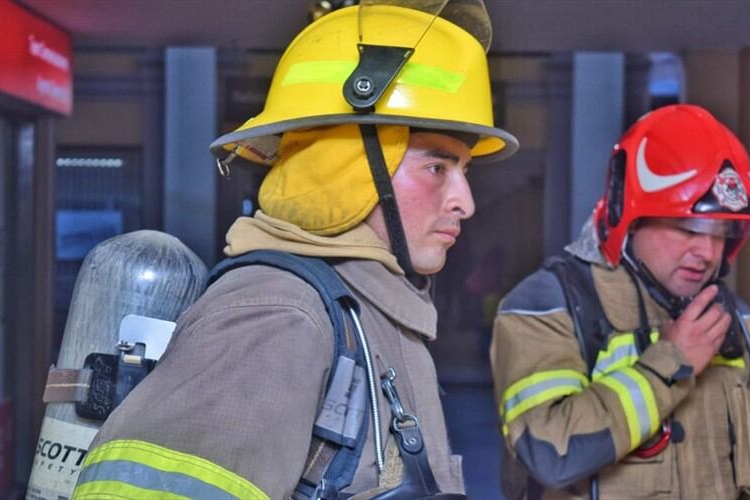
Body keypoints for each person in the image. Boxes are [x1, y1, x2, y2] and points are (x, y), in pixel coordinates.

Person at [71, 1, 517, 498]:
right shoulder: (277, 315)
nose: (466, 204)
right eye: (438, 168)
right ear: (345, 167)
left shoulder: (371, 311)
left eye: (465, 171)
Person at [490, 104, 750, 499]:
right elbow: (549, 453)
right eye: (687, 228)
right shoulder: (546, 307)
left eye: (721, 232)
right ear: (625, 217)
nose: (708, 252)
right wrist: (669, 365)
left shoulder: (732, 318)